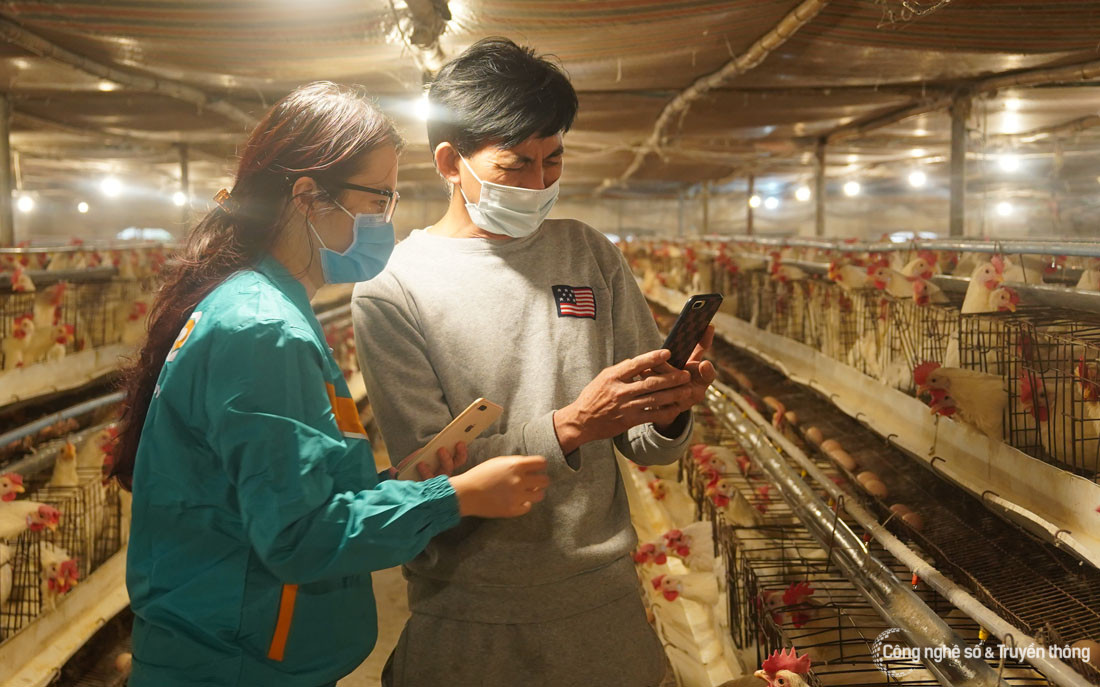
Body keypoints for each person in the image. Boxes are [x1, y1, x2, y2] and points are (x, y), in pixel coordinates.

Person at [110, 82, 549, 687]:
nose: (386, 219)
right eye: (379, 198)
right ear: (309, 197)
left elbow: (280, 492)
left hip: (236, 650)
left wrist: (395, 486)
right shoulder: (262, 330)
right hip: (237, 665)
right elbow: (299, 537)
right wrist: (455, 497)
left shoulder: (259, 306)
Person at [352, 39, 716, 686]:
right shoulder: (394, 287)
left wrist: (668, 410)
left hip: (604, 602)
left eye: (554, 160)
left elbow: (643, 443)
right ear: (450, 162)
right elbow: (426, 473)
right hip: (472, 611)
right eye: (515, 164)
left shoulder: (588, 254)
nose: (540, 183)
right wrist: (571, 426)